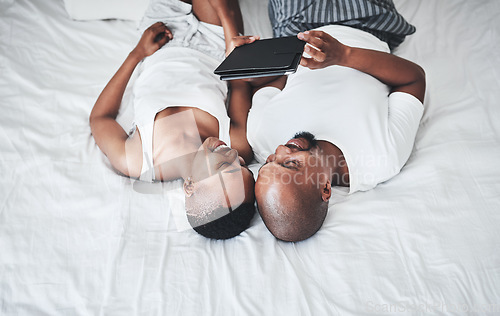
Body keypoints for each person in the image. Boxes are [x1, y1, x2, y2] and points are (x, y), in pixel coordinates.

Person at [244, 0, 426, 242]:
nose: (281, 149)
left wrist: (247, 59)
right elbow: (413, 79)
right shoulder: (382, 157)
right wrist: (344, 55)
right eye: (290, 164)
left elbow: (270, 82)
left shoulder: (261, 137)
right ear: (325, 188)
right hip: (367, 22)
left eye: (269, 161)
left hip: (295, 30)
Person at [89, 0, 256, 239]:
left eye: (223, 166)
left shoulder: (137, 159)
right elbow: (239, 85)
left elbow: (99, 118)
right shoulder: (237, 142)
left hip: (158, 43)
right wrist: (230, 27)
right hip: (217, 44)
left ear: (190, 186)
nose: (234, 155)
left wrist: (137, 54)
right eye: (241, 166)